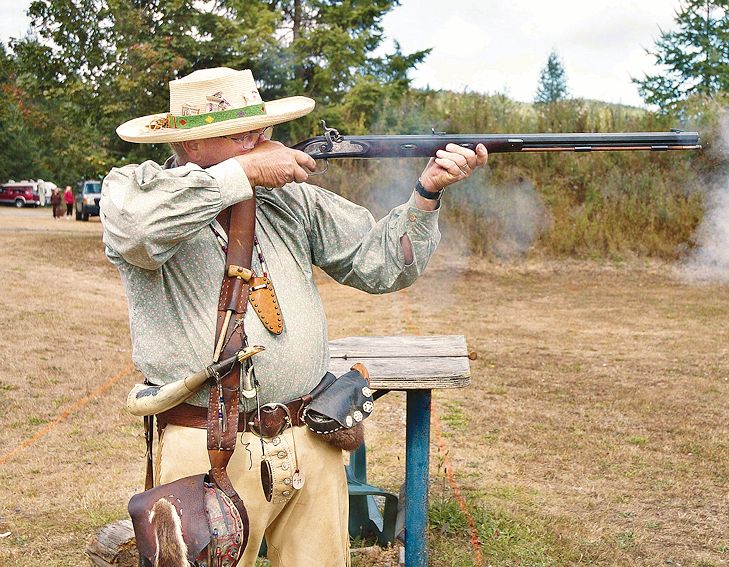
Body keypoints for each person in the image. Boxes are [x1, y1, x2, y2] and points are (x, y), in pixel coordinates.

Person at [101, 67, 487, 566]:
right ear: (191, 145)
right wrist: (241, 176)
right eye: (239, 133)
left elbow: (382, 262)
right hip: (206, 444)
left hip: (310, 435)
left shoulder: (290, 198)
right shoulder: (138, 191)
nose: (260, 141)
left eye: (258, 129)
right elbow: (135, 230)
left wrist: (427, 191)